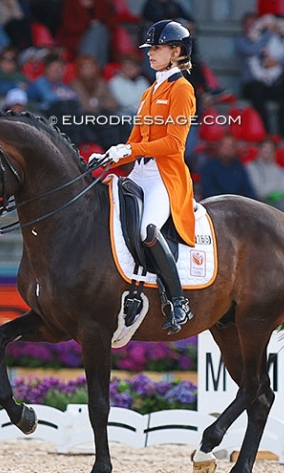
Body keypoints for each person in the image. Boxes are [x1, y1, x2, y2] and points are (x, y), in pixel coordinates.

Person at [89, 20, 195, 334]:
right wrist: (113, 153)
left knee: (149, 230)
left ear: (176, 52)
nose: (150, 53)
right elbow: (135, 140)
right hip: (140, 172)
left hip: (164, 176)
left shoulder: (182, 89)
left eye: (157, 48)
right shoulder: (150, 91)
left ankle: (178, 301)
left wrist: (128, 151)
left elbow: (174, 144)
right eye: (149, 48)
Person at [236, 12, 284, 141]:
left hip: (272, 83)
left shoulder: (275, 40)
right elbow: (252, 50)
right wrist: (268, 35)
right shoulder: (241, 41)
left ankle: (283, 131)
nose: (252, 27)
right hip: (252, 84)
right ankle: (266, 132)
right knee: (256, 91)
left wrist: (277, 61)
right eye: (249, 25)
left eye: (254, 24)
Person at [70, 54, 125, 148]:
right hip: (85, 120)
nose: (89, 70)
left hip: (103, 116)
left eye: (91, 66)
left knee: (120, 122)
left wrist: (98, 103)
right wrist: (101, 102)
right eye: (85, 67)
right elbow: (86, 107)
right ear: (79, 70)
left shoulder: (101, 83)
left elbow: (114, 104)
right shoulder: (76, 85)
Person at [244, 137, 284, 218]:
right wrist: (275, 186)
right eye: (264, 148)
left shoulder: (276, 168)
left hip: (275, 200)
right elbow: (260, 191)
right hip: (259, 201)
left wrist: (273, 189)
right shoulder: (251, 166)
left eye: (270, 149)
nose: (267, 151)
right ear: (259, 150)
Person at [57, 0, 117, 67]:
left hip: (101, 37)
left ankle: (88, 67)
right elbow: (69, 26)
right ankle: (97, 69)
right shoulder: (71, 3)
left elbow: (111, 23)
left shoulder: (101, 2)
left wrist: (98, 23)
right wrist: (88, 24)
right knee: (97, 30)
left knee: (99, 30)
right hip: (77, 39)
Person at [199, 134, 256, 200]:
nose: (228, 150)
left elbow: (248, 191)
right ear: (219, 147)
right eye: (225, 146)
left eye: (231, 147)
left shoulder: (239, 167)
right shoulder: (208, 167)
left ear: (235, 149)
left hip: (237, 204)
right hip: (215, 204)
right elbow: (208, 191)